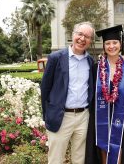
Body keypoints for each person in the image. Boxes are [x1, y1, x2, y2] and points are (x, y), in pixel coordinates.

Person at [41, 22, 95, 164]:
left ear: (90, 41)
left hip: (83, 117)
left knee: (79, 159)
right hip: (61, 116)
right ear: (73, 35)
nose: (82, 39)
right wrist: (48, 115)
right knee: (56, 159)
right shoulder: (56, 58)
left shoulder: (90, 61)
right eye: (80, 34)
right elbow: (45, 88)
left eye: (87, 37)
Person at [85, 25, 124, 164]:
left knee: (119, 152)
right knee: (102, 149)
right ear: (104, 45)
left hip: (122, 118)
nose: (111, 46)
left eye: (115, 43)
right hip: (101, 117)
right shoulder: (96, 68)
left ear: (120, 44)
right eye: (108, 43)